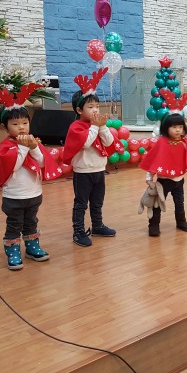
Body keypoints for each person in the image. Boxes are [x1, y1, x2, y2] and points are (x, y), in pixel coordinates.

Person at [0, 85, 62, 270]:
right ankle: (12, 251)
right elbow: (12, 166)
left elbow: (43, 162)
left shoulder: (33, 141)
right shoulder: (6, 146)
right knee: (14, 224)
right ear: (5, 127)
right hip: (14, 196)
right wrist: (22, 147)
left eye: (24, 123)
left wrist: (33, 147)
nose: (21, 127)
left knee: (31, 221)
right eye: (15, 124)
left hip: (34, 193)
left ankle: (31, 247)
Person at [63, 70, 121, 247]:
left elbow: (109, 142)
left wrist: (102, 127)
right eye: (90, 107)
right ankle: (78, 231)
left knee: (97, 202)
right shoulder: (76, 127)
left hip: (99, 170)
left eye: (97, 106)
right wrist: (96, 126)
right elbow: (86, 142)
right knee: (81, 204)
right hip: (83, 172)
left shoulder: (97, 125)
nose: (95, 110)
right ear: (79, 110)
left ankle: (97, 226)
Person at [138, 112, 187, 237]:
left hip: (179, 180)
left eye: (180, 127)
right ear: (166, 128)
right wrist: (149, 177)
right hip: (163, 181)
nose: (178, 130)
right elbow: (154, 159)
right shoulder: (162, 143)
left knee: (179, 202)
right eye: (174, 127)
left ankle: (181, 222)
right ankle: (153, 225)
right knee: (158, 203)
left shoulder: (183, 143)